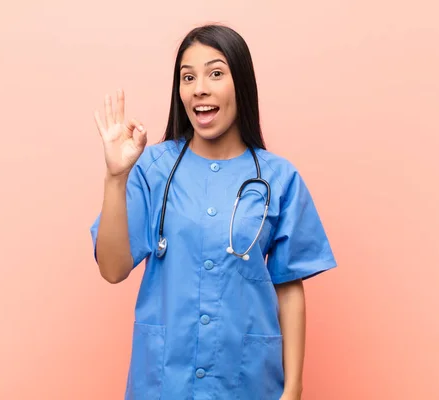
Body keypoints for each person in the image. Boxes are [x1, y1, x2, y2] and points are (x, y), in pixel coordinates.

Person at [89, 24, 337, 400]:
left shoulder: (278, 178)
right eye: (187, 77)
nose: (199, 88)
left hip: (246, 381)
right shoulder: (152, 168)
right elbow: (112, 268)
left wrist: (294, 387)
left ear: (242, 84)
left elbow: (288, 287)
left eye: (215, 73)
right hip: (163, 381)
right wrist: (114, 177)